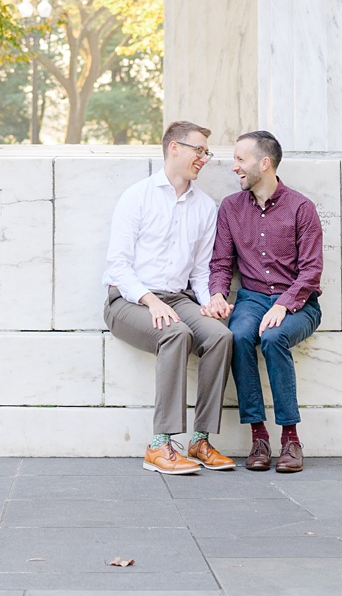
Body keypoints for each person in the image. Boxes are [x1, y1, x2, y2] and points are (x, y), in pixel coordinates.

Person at [102, 121, 237, 473]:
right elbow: (118, 265)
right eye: (199, 150)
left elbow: (201, 273)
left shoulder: (206, 208)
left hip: (178, 299)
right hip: (128, 301)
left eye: (207, 152)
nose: (204, 158)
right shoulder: (137, 196)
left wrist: (211, 300)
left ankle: (201, 439)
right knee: (176, 333)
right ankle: (160, 445)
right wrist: (150, 300)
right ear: (174, 147)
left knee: (221, 336)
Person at [204, 128, 324, 473]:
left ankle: (290, 439)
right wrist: (216, 294)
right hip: (253, 298)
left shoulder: (301, 208)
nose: (234, 167)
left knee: (273, 337)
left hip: (298, 302)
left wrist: (284, 304)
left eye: (241, 159)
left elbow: (311, 271)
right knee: (239, 336)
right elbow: (221, 263)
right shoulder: (230, 208)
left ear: (265, 163)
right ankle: (258, 436)